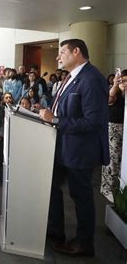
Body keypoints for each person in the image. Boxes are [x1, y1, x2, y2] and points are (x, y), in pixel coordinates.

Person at [39, 39, 109, 257]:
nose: (58, 57)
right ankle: (55, 230)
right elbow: (62, 108)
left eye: (62, 52)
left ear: (76, 52)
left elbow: (93, 122)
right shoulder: (70, 77)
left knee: (82, 196)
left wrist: (56, 120)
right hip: (63, 147)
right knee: (51, 185)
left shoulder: (91, 79)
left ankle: (84, 243)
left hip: (80, 150)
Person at [101, 69, 126, 202]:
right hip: (114, 128)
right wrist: (116, 85)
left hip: (125, 129)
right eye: (123, 80)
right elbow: (109, 100)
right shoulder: (114, 92)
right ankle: (109, 190)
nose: (124, 82)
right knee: (113, 159)